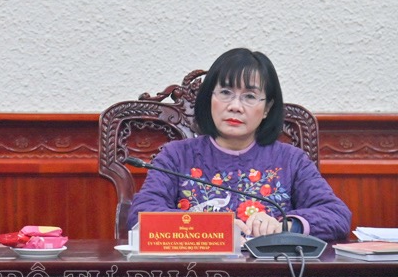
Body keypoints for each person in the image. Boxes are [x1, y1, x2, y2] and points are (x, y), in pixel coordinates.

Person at [128, 48, 351, 242]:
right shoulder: (176, 156)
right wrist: (207, 226)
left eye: (250, 96)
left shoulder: (291, 160)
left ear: (267, 108)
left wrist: (285, 225)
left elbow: (336, 215)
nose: (235, 106)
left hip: (271, 272)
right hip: (196, 271)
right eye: (226, 93)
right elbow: (140, 215)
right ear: (209, 99)